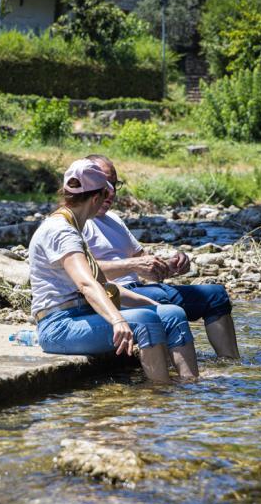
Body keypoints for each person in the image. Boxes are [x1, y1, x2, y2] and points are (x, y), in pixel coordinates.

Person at [29, 158, 200, 382]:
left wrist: (155, 305)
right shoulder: (61, 231)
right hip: (59, 326)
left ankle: (191, 387)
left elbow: (104, 285)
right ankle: (161, 396)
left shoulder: (73, 226)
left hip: (83, 314)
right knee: (145, 321)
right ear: (96, 197)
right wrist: (118, 321)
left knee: (172, 314)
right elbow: (86, 284)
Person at [82, 154, 240, 359]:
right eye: (105, 184)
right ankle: (184, 376)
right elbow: (82, 271)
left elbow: (146, 263)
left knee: (216, 295)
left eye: (114, 184)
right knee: (170, 307)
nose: (110, 192)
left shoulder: (113, 219)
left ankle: (232, 364)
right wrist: (132, 265)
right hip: (114, 294)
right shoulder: (78, 221)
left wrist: (171, 265)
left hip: (143, 288)